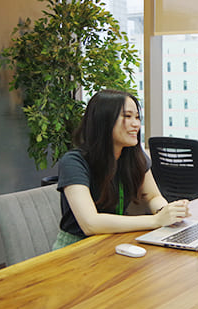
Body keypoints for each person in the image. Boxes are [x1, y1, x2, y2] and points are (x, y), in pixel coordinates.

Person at [52, 89, 190, 250]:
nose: (136, 124)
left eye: (137, 117)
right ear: (104, 120)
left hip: (114, 240)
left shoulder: (134, 156)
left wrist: (167, 211)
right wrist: (156, 220)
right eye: (127, 116)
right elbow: (90, 223)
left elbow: (152, 196)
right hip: (76, 248)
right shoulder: (74, 162)